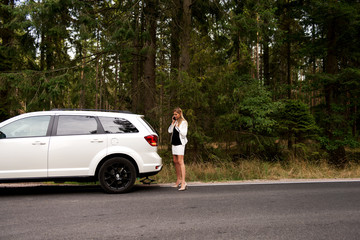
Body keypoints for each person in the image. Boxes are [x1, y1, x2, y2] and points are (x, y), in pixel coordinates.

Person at [168, 107, 188, 191]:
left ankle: (183, 182)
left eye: (176, 114)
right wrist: (173, 123)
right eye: (174, 114)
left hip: (180, 143)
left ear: (180, 114)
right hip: (174, 143)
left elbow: (184, 134)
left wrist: (177, 127)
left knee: (180, 161)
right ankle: (178, 179)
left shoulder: (184, 122)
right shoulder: (175, 121)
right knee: (175, 161)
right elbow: (169, 131)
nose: (174, 115)